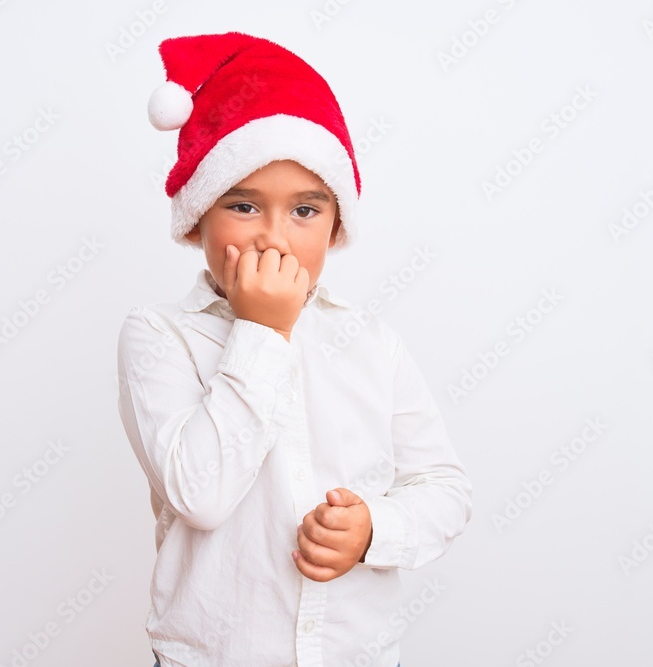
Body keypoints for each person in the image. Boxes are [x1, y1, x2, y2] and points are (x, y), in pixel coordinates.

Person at [117, 31, 473, 667]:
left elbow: (442, 487)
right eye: (244, 205)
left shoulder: (370, 344)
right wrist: (262, 331)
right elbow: (200, 494)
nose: (274, 238)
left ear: (336, 225)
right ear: (197, 216)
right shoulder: (160, 336)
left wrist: (373, 530)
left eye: (305, 210)